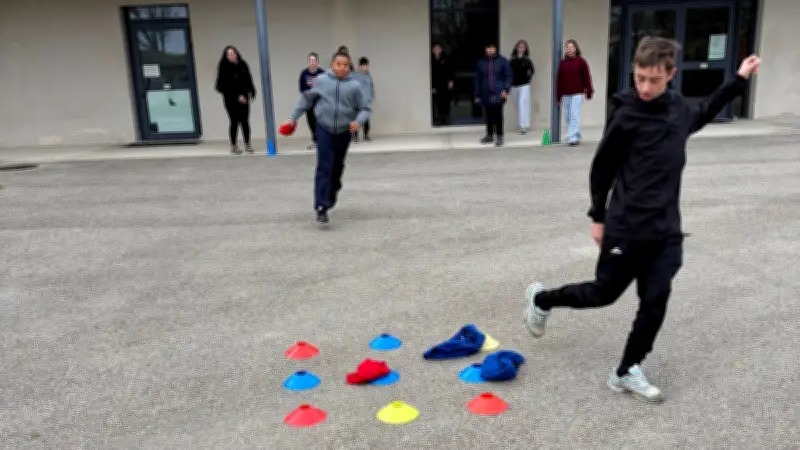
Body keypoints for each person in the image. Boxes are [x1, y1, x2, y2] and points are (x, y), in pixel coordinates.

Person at [522, 36, 761, 404]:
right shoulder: (626, 114)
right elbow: (602, 169)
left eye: (653, 79)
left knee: (656, 298)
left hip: (665, 231)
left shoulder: (679, 111)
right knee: (604, 294)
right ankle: (542, 299)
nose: (645, 87)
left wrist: (740, 78)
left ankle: (626, 370)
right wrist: (598, 218)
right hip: (626, 226)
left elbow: (709, 107)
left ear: (670, 75)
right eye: (639, 78)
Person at [284, 51, 371, 224]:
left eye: (345, 65)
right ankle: (321, 206)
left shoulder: (354, 86)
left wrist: (358, 121)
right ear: (332, 65)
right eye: (339, 64)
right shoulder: (322, 81)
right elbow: (306, 100)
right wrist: (292, 119)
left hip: (344, 132)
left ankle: (333, 189)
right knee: (324, 166)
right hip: (323, 128)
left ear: (349, 66)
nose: (342, 67)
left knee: (337, 167)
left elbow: (365, 108)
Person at [215, 45, 256, 154]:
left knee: (245, 121)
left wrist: (252, 90)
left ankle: (247, 144)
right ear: (226, 56)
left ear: (237, 53)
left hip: (244, 98)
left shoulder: (243, 64)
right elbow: (220, 86)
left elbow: (248, 78)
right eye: (229, 54)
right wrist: (237, 96)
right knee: (234, 121)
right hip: (231, 100)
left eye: (233, 53)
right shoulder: (223, 67)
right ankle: (234, 146)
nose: (231, 55)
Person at [556, 39, 593, 146]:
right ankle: (576, 134)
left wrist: (589, 91)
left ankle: (572, 138)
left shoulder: (581, 62)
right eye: (567, 48)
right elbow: (559, 81)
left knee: (574, 115)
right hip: (566, 94)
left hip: (578, 93)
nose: (569, 50)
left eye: (571, 47)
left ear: (575, 48)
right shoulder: (563, 63)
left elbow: (587, 77)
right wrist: (558, 97)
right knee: (567, 116)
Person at [475, 43, 512, 147]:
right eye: (488, 48)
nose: (490, 50)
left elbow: (508, 76)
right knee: (488, 115)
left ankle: (499, 136)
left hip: (499, 93)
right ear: (485, 49)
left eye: (492, 48)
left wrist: (505, 90)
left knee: (498, 115)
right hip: (486, 93)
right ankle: (489, 135)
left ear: (495, 49)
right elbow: (478, 79)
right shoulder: (481, 63)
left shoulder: (503, 61)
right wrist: (477, 94)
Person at [299, 52, 324, 150]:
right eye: (311, 60)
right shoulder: (304, 73)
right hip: (309, 101)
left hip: (320, 102)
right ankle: (315, 141)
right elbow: (302, 88)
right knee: (311, 121)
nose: (313, 62)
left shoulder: (322, 73)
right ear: (308, 62)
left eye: (314, 60)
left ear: (317, 62)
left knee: (321, 122)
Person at [509, 39, 535, 134]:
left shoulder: (527, 60)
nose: (521, 48)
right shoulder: (512, 60)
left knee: (522, 104)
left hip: (524, 85)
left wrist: (528, 79)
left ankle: (523, 126)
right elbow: (509, 73)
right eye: (519, 47)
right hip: (514, 86)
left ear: (525, 49)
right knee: (518, 105)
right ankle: (522, 124)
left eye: (523, 47)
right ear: (517, 48)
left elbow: (532, 71)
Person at [352, 57, 376, 142]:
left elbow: (372, 88)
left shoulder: (369, 77)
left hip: (366, 102)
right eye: (364, 66)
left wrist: (371, 97)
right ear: (360, 66)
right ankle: (355, 136)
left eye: (367, 66)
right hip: (356, 102)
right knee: (356, 118)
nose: (366, 67)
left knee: (366, 119)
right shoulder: (354, 76)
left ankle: (366, 135)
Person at [431, 43, 454, 126]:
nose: (436, 50)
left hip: (444, 84)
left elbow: (451, 71)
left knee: (443, 102)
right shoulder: (430, 59)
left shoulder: (446, 59)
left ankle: (443, 118)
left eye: (438, 48)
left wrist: (451, 81)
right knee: (434, 102)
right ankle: (434, 119)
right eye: (435, 49)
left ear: (441, 49)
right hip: (433, 84)